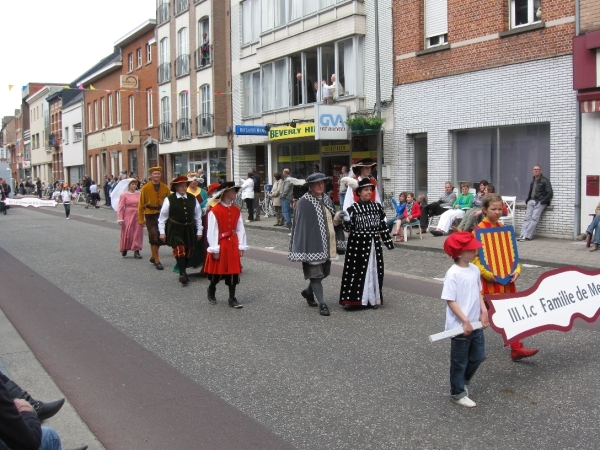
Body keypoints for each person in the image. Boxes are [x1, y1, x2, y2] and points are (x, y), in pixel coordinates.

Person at [473, 194, 539, 361]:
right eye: (493, 209)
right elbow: (475, 259)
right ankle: (468, 346)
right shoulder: (477, 232)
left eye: (499, 209)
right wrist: (489, 275)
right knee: (481, 317)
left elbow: (512, 255)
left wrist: (517, 269)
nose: (497, 212)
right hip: (487, 284)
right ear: (484, 210)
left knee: (509, 313)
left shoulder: (504, 228)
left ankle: (516, 348)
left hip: (506, 282)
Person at [441, 231, 488, 408]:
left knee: (479, 356)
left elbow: (478, 292)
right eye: (471, 249)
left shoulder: (474, 269)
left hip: (475, 322)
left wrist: (484, 312)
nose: (475, 251)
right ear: (459, 253)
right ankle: (457, 391)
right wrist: (464, 320)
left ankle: (463, 380)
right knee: (459, 360)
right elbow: (450, 299)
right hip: (460, 326)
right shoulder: (453, 273)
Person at [289, 172, 346, 316]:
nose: (321, 185)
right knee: (315, 274)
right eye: (317, 183)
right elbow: (300, 227)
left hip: (327, 245)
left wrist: (338, 217)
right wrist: (303, 247)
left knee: (323, 273)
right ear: (310, 186)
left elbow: (332, 221)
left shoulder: (327, 199)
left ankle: (309, 292)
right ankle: (322, 304)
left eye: (323, 183)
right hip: (311, 246)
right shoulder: (304, 202)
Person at [339, 178, 393, 308]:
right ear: (359, 192)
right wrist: (346, 220)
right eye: (366, 190)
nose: (369, 192)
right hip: (357, 245)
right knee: (356, 271)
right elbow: (348, 229)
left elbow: (382, 226)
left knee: (374, 270)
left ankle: (372, 299)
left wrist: (388, 242)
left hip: (374, 244)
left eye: (370, 190)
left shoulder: (377, 207)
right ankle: (354, 300)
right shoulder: (353, 209)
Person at [204, 181, 248, 308]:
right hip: (221, 243)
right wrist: (215, 249)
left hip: (233, 243)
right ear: (225, 193)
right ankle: (211, 289)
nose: (235, 193)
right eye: (233, 190)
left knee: (233, 272)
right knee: (217, 273)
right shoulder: (215, 210)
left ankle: (232, 298)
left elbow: (240, 228)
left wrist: (241, 245)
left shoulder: (236, 210)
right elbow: (212, 231)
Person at [159, 176, 203, 286]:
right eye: (181, 186)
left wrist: (199, 231)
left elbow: (198, 216)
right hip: (175, 228)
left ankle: (183, 271)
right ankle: (182, 273)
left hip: (189, 228)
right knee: (180, 249)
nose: (183, 188)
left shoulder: (192, 198)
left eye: (185, 185)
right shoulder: (169, 199)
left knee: (189, 251)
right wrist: (162, 232)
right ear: (176, 187)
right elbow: (162, 217)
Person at [138, 166, 171, 270]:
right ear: (151, 175)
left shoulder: (165, 188)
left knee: (162, 236)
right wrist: (141, 219)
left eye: (158, 174)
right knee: (153, 236)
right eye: (155, 174)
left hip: (162, 214)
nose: (157, 175)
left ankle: (153, 255)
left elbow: (170, 202)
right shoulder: (145, 188)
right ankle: (157, 260)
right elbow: (141, 205)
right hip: (150, 214)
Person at [518, 165, 553, 241]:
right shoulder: (533, 180)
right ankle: (522, 234)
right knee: (527, 218)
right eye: (534, 169)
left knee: (534, 219)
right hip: (532, 201)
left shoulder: (545, 180)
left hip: (540, 201)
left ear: (541, 171)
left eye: (537, 169)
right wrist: (528, 199)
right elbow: (531, 191)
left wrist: (543, 201)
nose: (536, 170)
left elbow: (550, 193)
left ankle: (527, 236)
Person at [117, 179, 144, 259]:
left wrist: (144, 216)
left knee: (137, 232)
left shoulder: (140, 194)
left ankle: (136, 250)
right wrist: (120, 218)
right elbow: (121, 207)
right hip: (128, 215)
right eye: (132, 184)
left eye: (135, 184)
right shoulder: (124, 195)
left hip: (138, 214)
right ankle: (125, 247)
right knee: (128, 232)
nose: (134, 186)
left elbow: (143, 205)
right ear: (129, 185)